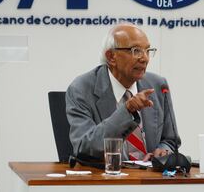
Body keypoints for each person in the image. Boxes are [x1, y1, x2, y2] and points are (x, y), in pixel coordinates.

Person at [66, 23, 180, 161]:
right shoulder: (81, 89)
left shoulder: (157, 85)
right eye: (136, 51)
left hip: (150, 179)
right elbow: (84, 147)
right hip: (107, 179)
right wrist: (127, 110)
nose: (145, 58)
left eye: (147, 50)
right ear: (111, 57)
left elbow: (171, 140)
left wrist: (162, 152)